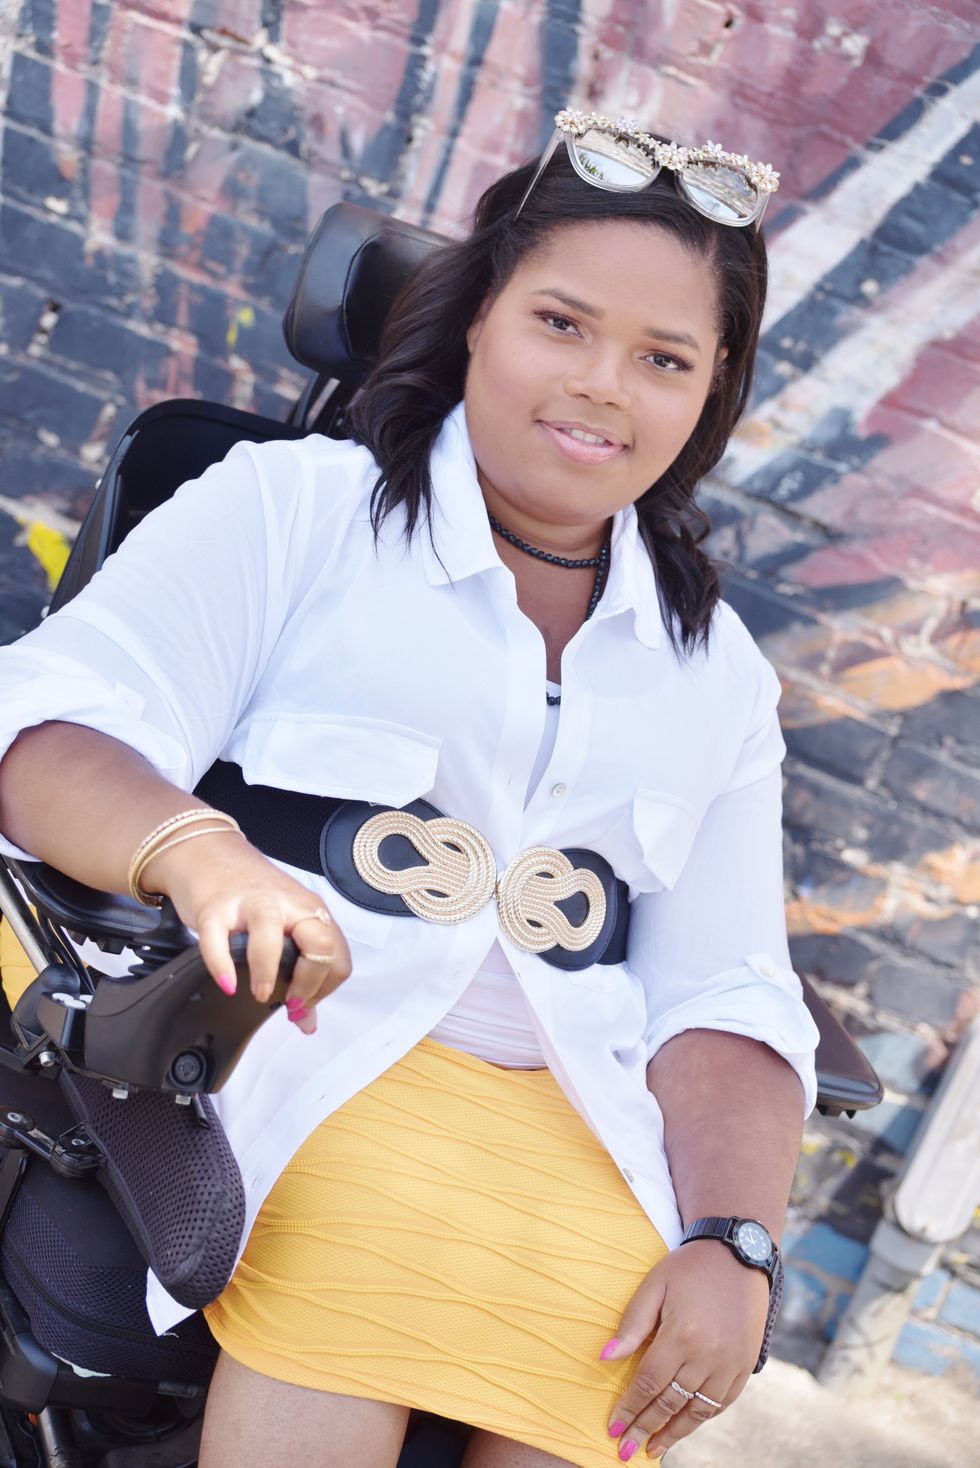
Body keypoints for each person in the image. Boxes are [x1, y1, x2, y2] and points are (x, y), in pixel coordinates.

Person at [0, 110, 819, 1468]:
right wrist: (197, 853)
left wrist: (737, 1241)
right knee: (377, 1262)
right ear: (480, 315)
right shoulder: (296, 511)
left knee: (621, 1346)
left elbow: (727, 990)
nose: (604, 386)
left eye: (664, 358)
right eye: (561, 323)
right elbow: (43, 727)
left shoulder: (712, 669)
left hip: (567, 1125)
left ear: (711, 389)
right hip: (291, 1051)